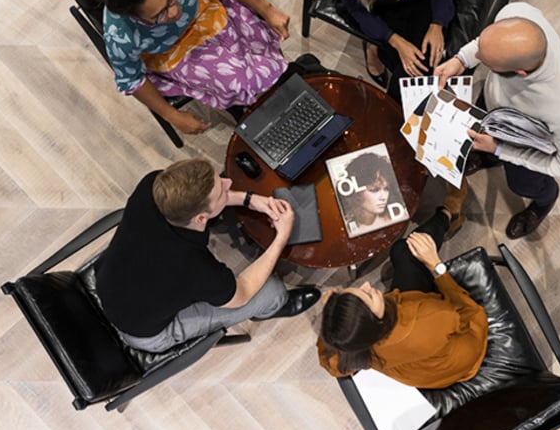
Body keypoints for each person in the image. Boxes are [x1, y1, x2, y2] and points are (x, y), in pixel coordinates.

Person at [95, 158, 320, 352]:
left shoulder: (153, 185)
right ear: (201, 219)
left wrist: (248, 199)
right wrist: (281, 237)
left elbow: (205, 205)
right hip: (145, 333)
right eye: (222, 189)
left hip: (111, 281)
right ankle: (267, 309)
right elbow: (241, 292)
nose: (228, 182)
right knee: (273, 291)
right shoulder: (193, 266)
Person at [435, 2, 560, 239]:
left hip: (524, 142)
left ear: (520, 73)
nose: (478, 58)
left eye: (486, 63)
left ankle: (544, 201)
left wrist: (501, 149)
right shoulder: (516, 13)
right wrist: (462, 60)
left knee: (522, 185)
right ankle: (486, 155)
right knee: (478, 138)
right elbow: (482, 43)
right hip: (492, 108)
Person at [93, 0, 291, 135]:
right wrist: (173, 116)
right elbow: (132, 80)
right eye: (159, 15)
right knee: (234, 80)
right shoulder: (119, 34)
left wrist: (267, 10)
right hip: (171, 51)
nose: (173, 12)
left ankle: (276, 90)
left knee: (258, 46)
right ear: (135, 17)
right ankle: (246, 110)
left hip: (203, 14)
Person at [317, 207, 488, 388]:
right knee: (407, 251)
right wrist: (436, 266)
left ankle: (447, 215)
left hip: (416, 369)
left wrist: (333, 317)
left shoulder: (355, 346)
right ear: (373, 321)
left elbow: (330, 364)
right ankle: (448, 211)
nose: (367, 286)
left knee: (402, 250)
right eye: (367, 296)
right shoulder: (430, 316)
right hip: (463, 356)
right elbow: (470, 312)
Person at [338, 151, 405, 235]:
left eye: (386, 189)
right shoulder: (347, 229)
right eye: (374, 190)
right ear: (356, 192)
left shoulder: (398, 218)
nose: (383, 197)